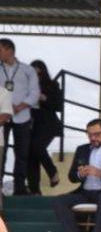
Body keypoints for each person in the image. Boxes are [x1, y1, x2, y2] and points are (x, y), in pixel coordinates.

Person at [0, 38, 41, 196]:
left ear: (10, 50)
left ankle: (20, 188)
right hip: (2, 117)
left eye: (0, 50)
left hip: (22, 116)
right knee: (1, 152)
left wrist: (20, 106)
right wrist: (6, 107)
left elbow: (35, 92)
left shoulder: (27, 70)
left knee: (22, 153)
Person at [28, 59, 64, 195]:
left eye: (38, 74)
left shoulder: (52, 85)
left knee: (36, 146)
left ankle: (52, 172)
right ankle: (34, 190)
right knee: (31, 154)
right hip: (31, 125)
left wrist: (44, 98)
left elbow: (59, 106)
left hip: (48, 124)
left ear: (43, 73)